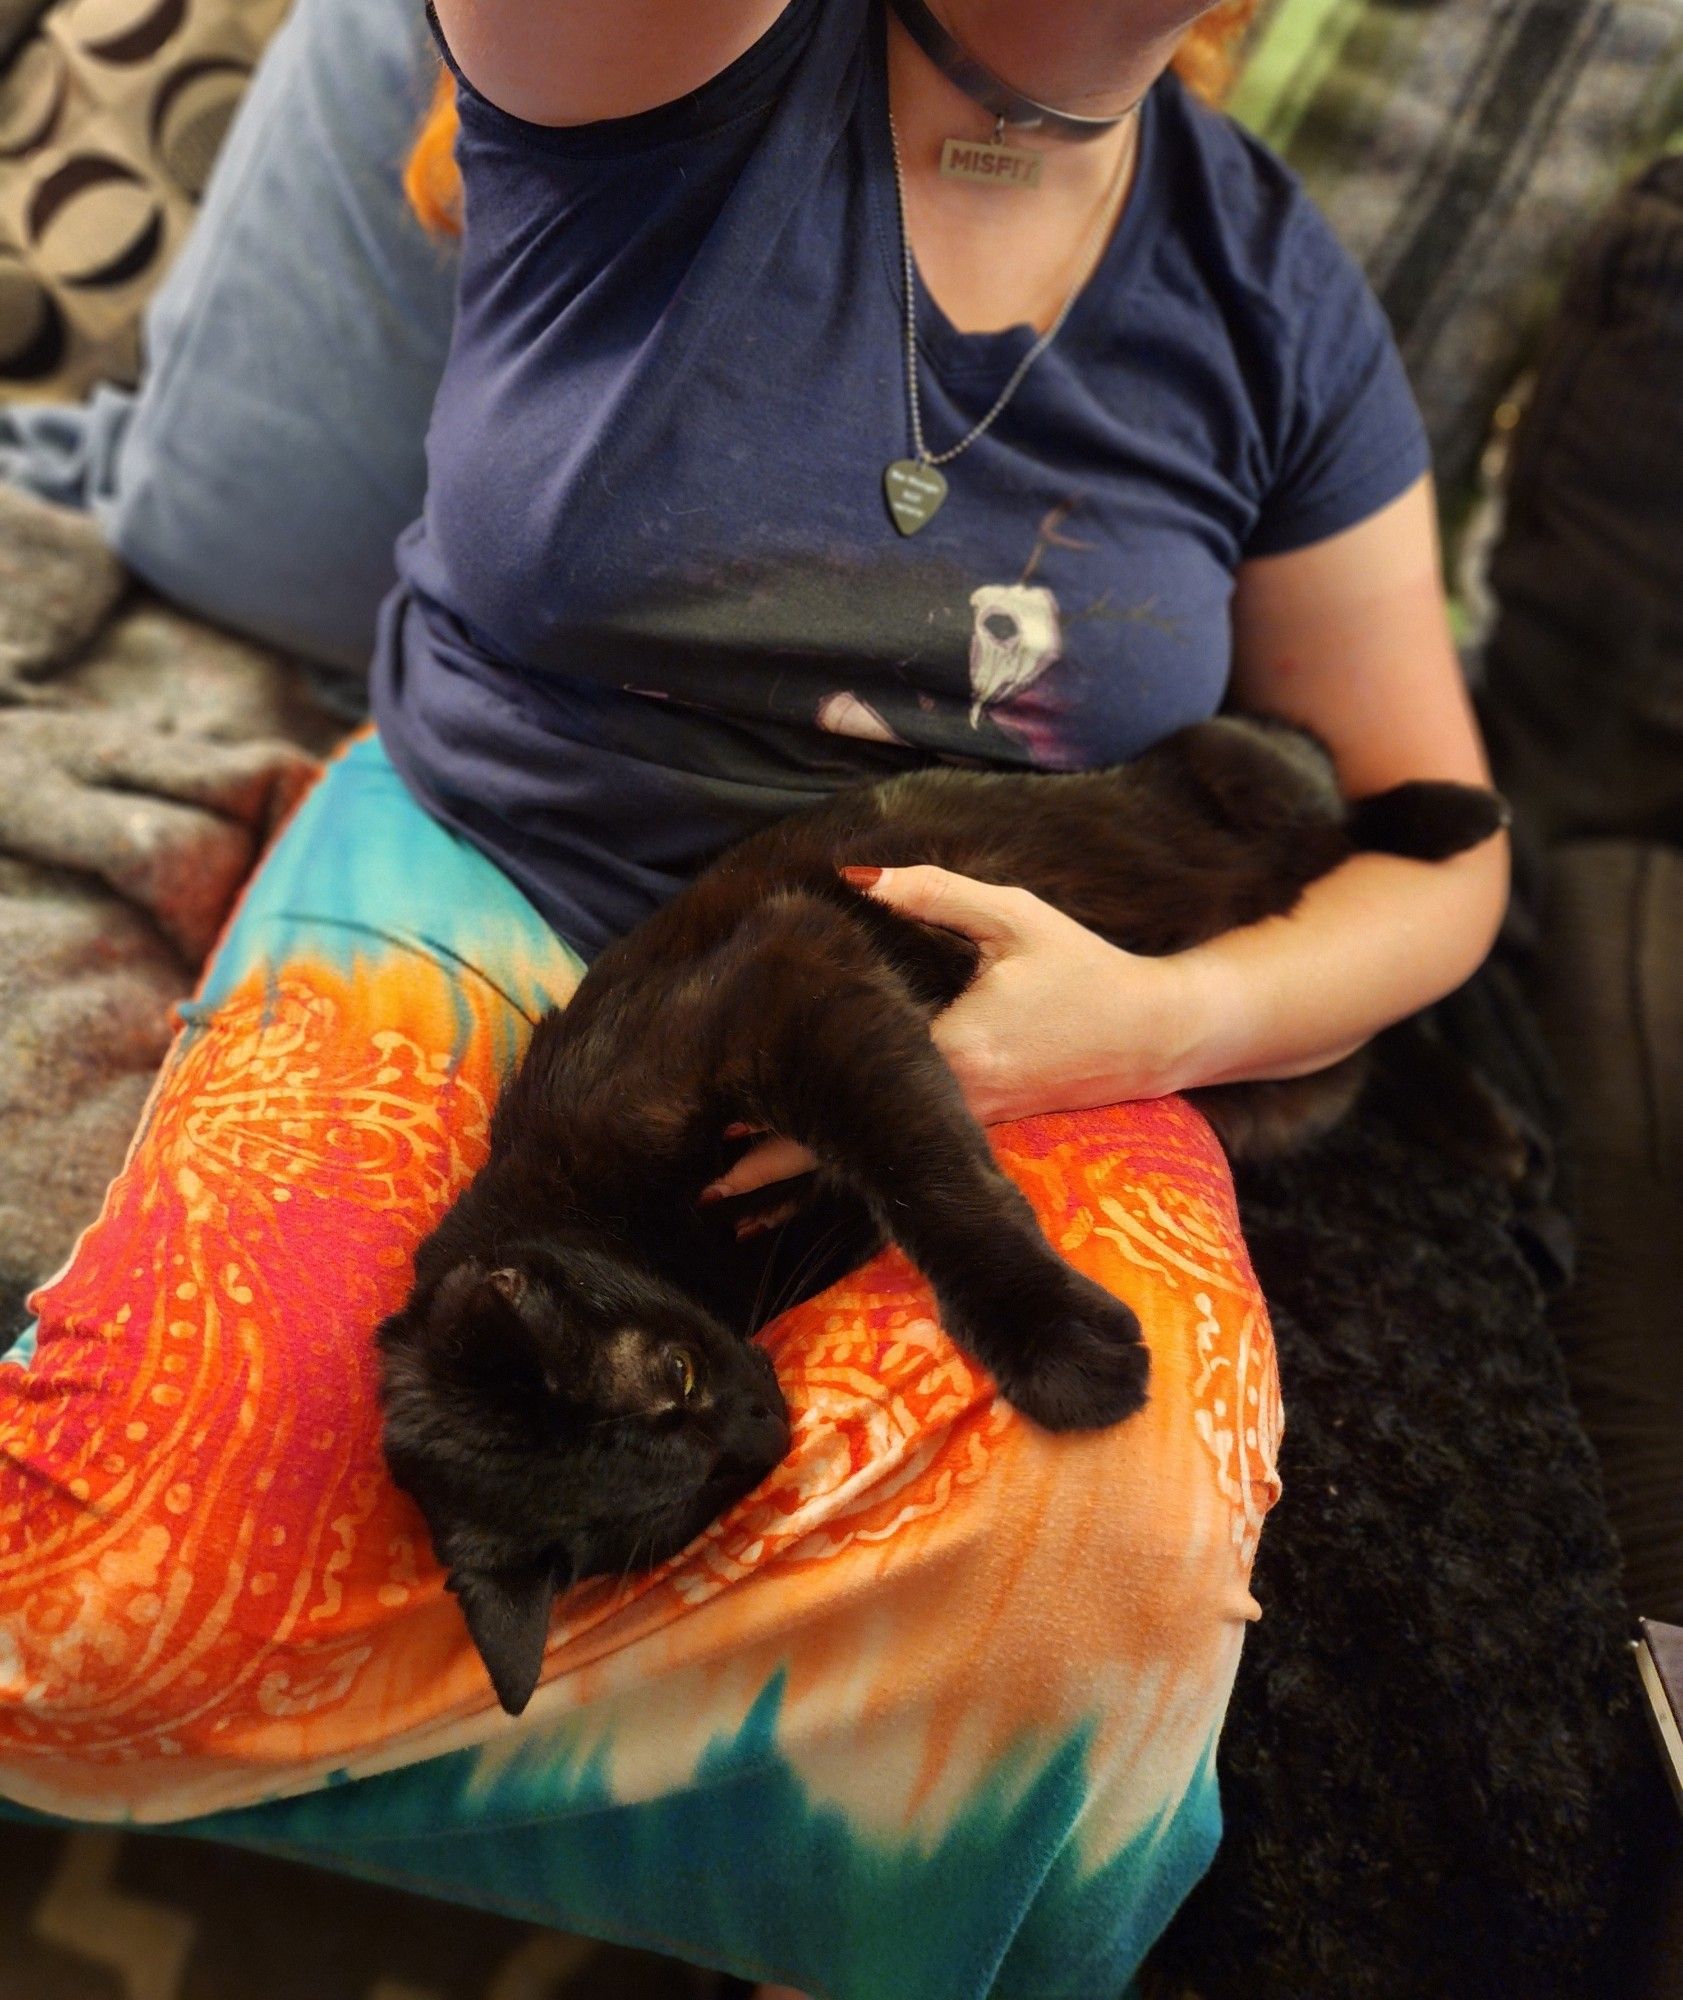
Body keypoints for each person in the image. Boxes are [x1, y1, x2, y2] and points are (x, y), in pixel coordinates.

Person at [0, 3, 1506, 1997]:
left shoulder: (1258, 270)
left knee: (1106, 1612)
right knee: (83, 1596)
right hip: (495, 866)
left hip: (1023, 988)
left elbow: (1435, 839)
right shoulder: (675, 62)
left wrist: (1156, 1024)